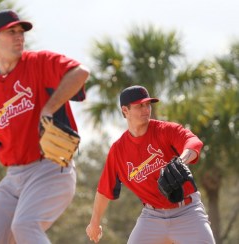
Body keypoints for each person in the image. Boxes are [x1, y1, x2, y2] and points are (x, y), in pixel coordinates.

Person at [0, 9, 89, 244]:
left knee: (24, 225)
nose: (19, 36)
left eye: (21, 32)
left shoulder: (38, 63)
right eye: (11, 32)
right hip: (14, 177)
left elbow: (80, 72)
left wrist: (49, 108)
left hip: (51, 168)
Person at [86, 85, 215, 244]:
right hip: (152, 217)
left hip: (187, 212)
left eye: (148, 104)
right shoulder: (118, 151)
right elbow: (104, 190)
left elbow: (193, 142)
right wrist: (94, 222)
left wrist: (181, 160)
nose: (146, 109)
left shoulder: (164, 130)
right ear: (125, 110)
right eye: (140, 105)